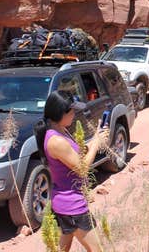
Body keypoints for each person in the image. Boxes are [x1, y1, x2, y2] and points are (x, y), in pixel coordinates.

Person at [34, 90, 109, 252]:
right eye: (72, 111)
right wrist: (97, 143)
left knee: (62, 249)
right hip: (72, 206)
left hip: (66, 204)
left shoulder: (61, 130)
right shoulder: (55, 141)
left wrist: (95, 138)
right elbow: (82, 169)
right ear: (61, 113)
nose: (74, 114)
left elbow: (74, 154)